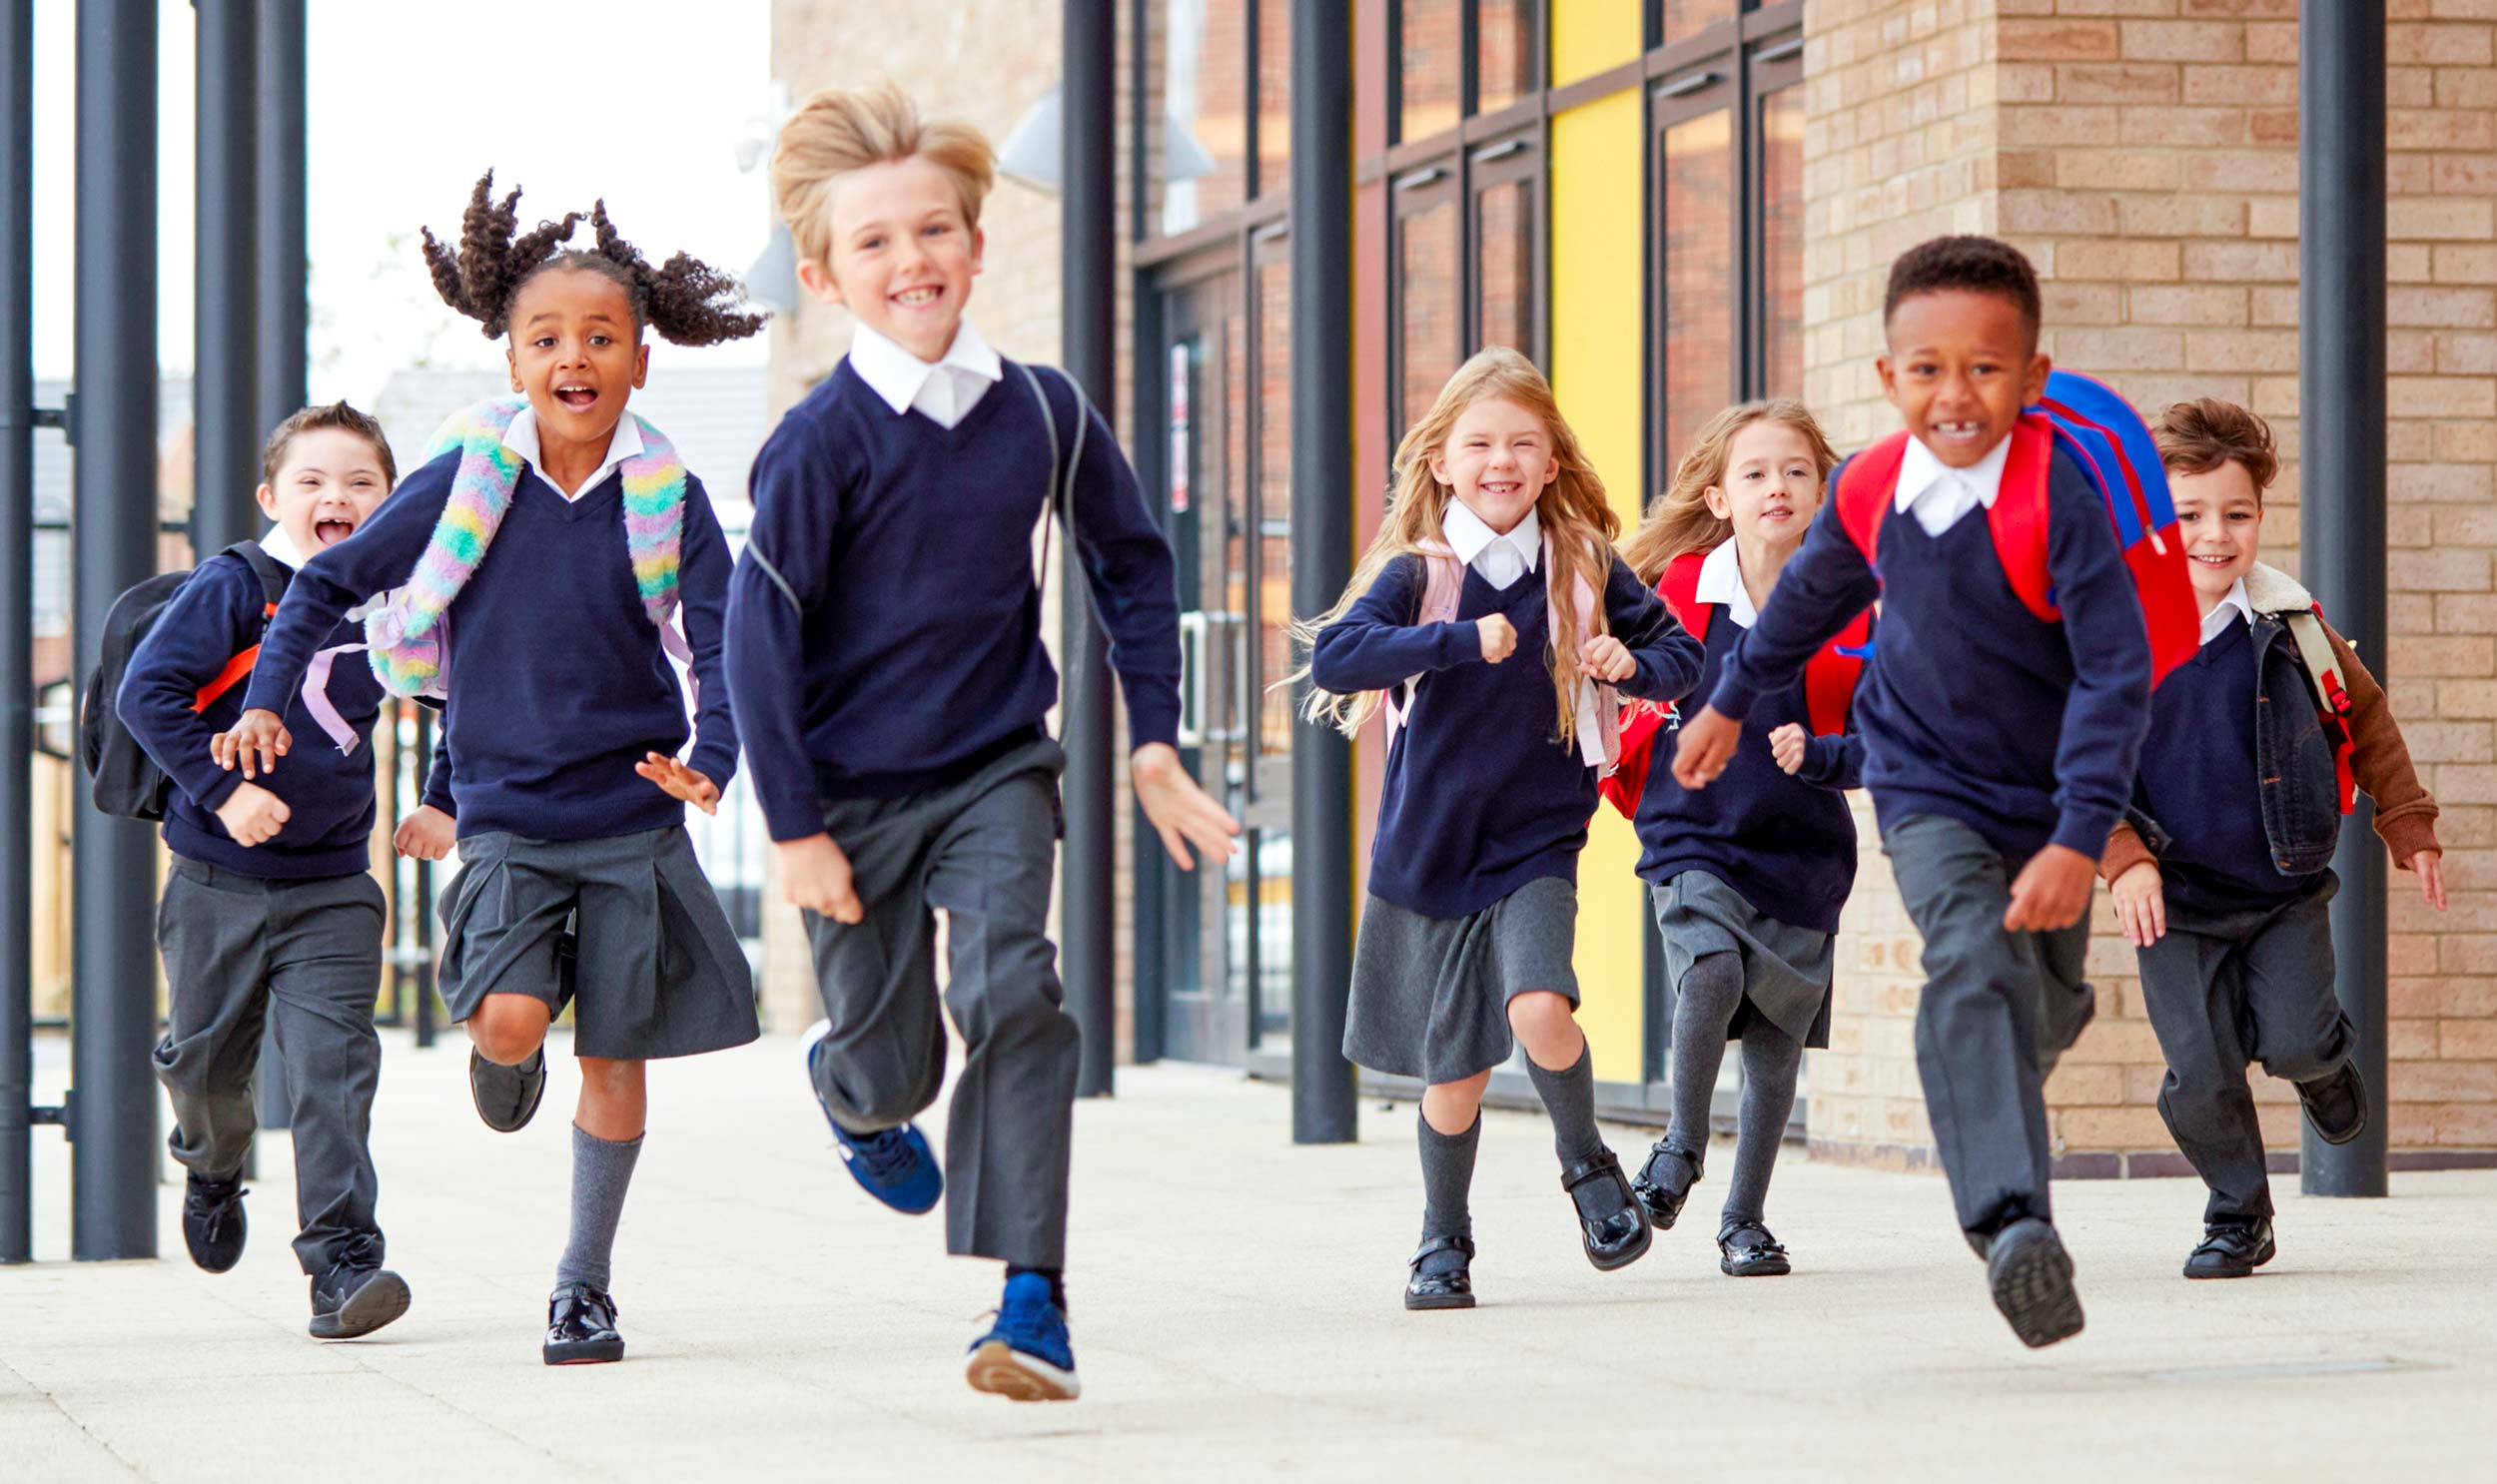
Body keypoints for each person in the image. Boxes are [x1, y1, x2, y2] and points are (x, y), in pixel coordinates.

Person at [732, 83, 1240, 1402]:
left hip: (996, 766)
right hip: (843, 794)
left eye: (936, 230)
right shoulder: (813, 446)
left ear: (975, 240)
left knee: (1017, 988)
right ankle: (853, 1089)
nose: (914, 260)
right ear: (826, 273)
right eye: (878, 242)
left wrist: (1152, 739)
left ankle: (1031, 1296)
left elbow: (1130, 565)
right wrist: (791, 829)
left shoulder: (1045, 410)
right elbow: (758, 640)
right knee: (895, 1053)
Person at [216, 176, 764, 1365]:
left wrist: (714, 752)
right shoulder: (471, 480)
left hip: (630, 813)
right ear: (512, 361)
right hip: (509, 810)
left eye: (601, 338)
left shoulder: (666, 496)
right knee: (515, 1024)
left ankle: (582, 1286)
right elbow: (324, 583)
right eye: (547, 339)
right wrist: (267, 699)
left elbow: (722, 640)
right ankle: (499, 1046)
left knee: (614, 1058)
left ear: (638, 363)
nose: (575, 356)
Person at [1673, 236, 2154, 1348]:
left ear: (2033, 377)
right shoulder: (1873, 485)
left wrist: (2082, 835)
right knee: (1968, 961)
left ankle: (2001, 1085)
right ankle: (2011, 1224)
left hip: (2048, 795)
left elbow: (2114, 676)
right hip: (1921, 779)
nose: (1954, 392)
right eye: (1925, 368)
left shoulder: (2062, 497)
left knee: (2042, 1001)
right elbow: (1801, 603)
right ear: (1887, 378)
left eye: (1984, 368)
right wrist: (1728, 700)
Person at [1303, 346, 1703, 1312]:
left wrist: (1627, 664)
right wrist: (1451, 643)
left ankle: (1587, 1169)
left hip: (1536, 842)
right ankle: (1442, 1241)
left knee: (1537, 1007)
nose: (1501, 460)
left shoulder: (1583, 564)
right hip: (1429, 850)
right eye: (1479, 443)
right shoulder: (1421, 571)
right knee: (1458, 1075)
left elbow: (1681, 655)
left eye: (1523, 443)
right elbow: (1337, 658)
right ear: (1440, 459)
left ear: (1553, 462)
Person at [2102, 397, 2446, 1279]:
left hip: (2282, 886)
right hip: (2172, 901)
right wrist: (2124, 858)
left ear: (2260, 516)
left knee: (2293, 1037)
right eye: (2189, 516)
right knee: (2202, 1071)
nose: (2216, 535)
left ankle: (2323, 1064)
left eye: (2238, 514)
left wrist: (2405, 822)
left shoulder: (2292, 629)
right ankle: (2236, 1217)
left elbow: (2365, 717)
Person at [120, 401, 412, 1339]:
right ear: (271, 498)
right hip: (216, 881)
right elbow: (146, 694)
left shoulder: (397, 599)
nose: (338, 497)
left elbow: (467, 689)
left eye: (361, 482)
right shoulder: (236, 586)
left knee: (333, 1073)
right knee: (205, 1065)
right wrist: (220, 790)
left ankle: (342, 1266)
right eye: (313, 482)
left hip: (333, 886)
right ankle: (212, 1163)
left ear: (389, 501)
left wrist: (445, 795)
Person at [1612, 399, 1866, 1278]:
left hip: (1802, 846)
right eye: (1755, 473)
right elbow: (1616, 688)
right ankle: (1679, 1147)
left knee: (1774, 1047)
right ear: (1719, 498)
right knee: (1713, 970)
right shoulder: (1675, 592)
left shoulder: (1852, 605)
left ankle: (1744, 1221)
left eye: (1797, 471)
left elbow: (1896, 735)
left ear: (1822, 491)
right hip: (1693, 833)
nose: (1778, 487)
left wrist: (1828, 756)